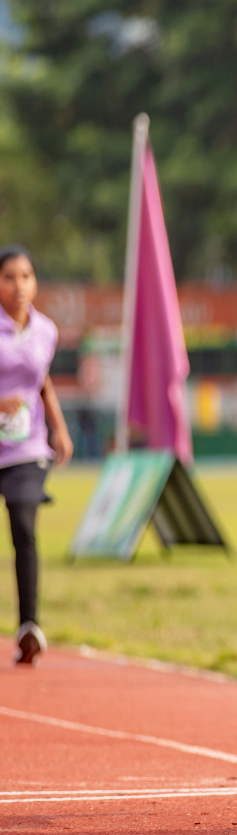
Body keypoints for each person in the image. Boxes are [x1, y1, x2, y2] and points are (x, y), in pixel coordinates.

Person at [0, 245, 73, 665]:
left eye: (26, 275)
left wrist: (59, 427)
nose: (19, 285)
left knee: (24, 521)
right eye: (9, 276)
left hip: (27, 446)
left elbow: (41, 380)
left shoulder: (46, 330)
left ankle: (29, 626)